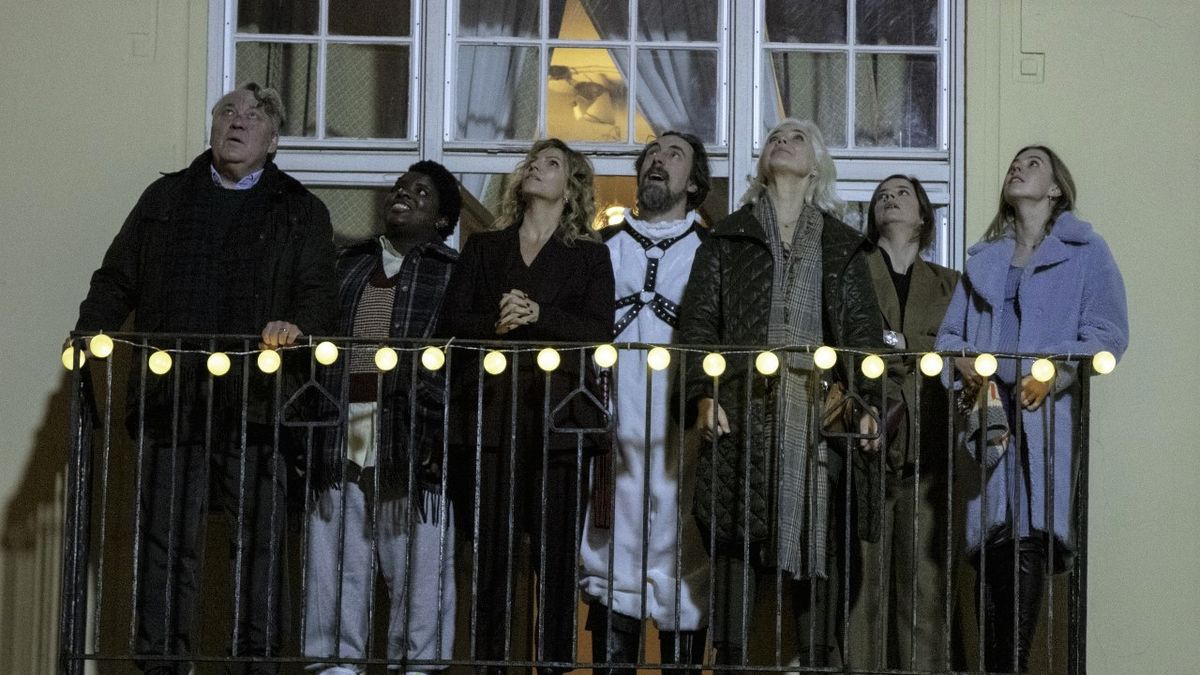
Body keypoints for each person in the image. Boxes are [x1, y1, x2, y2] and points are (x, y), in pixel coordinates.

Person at [73, 83, 336, 674]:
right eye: (226, 113)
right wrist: (91, 333)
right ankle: (162, 665)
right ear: (211, 128)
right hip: (174, 401)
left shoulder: (301, 209)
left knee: (260, 547)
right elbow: (116, 278)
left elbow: (320, 294)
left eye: (253, 116)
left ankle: (255, 664)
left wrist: (298, 324)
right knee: (165, 546)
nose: (237, 123)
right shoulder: (165, 198)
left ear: (273, 141)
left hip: (258, 405)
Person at [677, 118, 882, 668]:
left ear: (815, 165)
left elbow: (863, 337)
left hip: (819, 420)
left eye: (797, 137)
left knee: (823, 548)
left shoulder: (842, 245)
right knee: (735, 545)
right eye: (775, 137)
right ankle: (734, 658)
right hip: (742, 410)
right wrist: (702, 393)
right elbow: (698, 325)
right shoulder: (726, 237)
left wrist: (864, 404)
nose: (782, 140)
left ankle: (816, 659)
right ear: (764, 161)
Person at [935, 146, 1128, 672]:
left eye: (1033, 163)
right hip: (990, 421)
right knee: (993, 549)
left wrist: (1052, 372)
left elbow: (1108, 333)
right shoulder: (986, 260)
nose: (1018, 167)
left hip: (1044, 425)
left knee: (1029, 539)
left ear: (1056, 189)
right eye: (1015, 163)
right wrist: (963, 361)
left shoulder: (1087, 252)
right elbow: (949, 336)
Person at [440, 139, 615, 674]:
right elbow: (451, 322)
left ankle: (555, 666)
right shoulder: (486, 248)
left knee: (555, 560)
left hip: (558, 424)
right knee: (491, 556)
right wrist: (497, 321)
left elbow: (597, 331)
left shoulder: (590, 254)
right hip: (489, 421)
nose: (538, 167)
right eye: (534, 161)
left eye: (552, 163)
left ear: (572, 187)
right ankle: (492, 664)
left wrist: (537, 313)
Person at [303, 161, 462, 675]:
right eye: (400, 186)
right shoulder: (347, 263)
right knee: (337, 550)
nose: (404, 194)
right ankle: (335, 665)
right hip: (346, 417)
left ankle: (416, 666)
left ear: (442, 220)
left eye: (422, 192)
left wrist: (435, 418)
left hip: (415, 428)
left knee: (417, 560)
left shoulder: (452, 271)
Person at [578, 132, 711, 673]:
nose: (659, 159)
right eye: (652, 153)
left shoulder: (712, 253)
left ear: (694, 183)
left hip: (683, 426)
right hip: (616, 421)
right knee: (613, 548)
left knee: (686, 545)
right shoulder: (598, 248)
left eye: (674, 154)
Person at [847, 175, 960, 671]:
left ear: (923, 216)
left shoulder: (950, 284)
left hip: (928, 454)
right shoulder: (851, 275)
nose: (889, 199)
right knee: (863, 594)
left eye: (902, 194)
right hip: (863, 451)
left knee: (925, 592)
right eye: (881, 196)